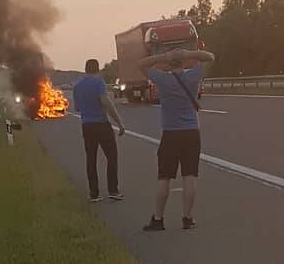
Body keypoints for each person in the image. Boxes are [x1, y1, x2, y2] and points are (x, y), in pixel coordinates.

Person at [137, 44, 215, 230]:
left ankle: (158, 219)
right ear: (183, 61)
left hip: (170, 133)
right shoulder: (193, 76)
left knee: (164, 178)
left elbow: (141, 64)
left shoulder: (162, 80)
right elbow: (210, 56)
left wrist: (163, 57)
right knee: (190, 176)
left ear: (169, 64)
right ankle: (187, 218)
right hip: (191, 132)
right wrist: (188, 53)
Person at [71, 59, 126, 201]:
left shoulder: (77, 86)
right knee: (112, 156)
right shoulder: (99, 83)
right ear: (98, 70)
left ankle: (94, 193)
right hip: (101, 124)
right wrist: (119, 123)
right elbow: (106, 103)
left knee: (91, 158)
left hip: (86, 126)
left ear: (85, 69)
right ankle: (113, 190)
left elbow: (77, 108)